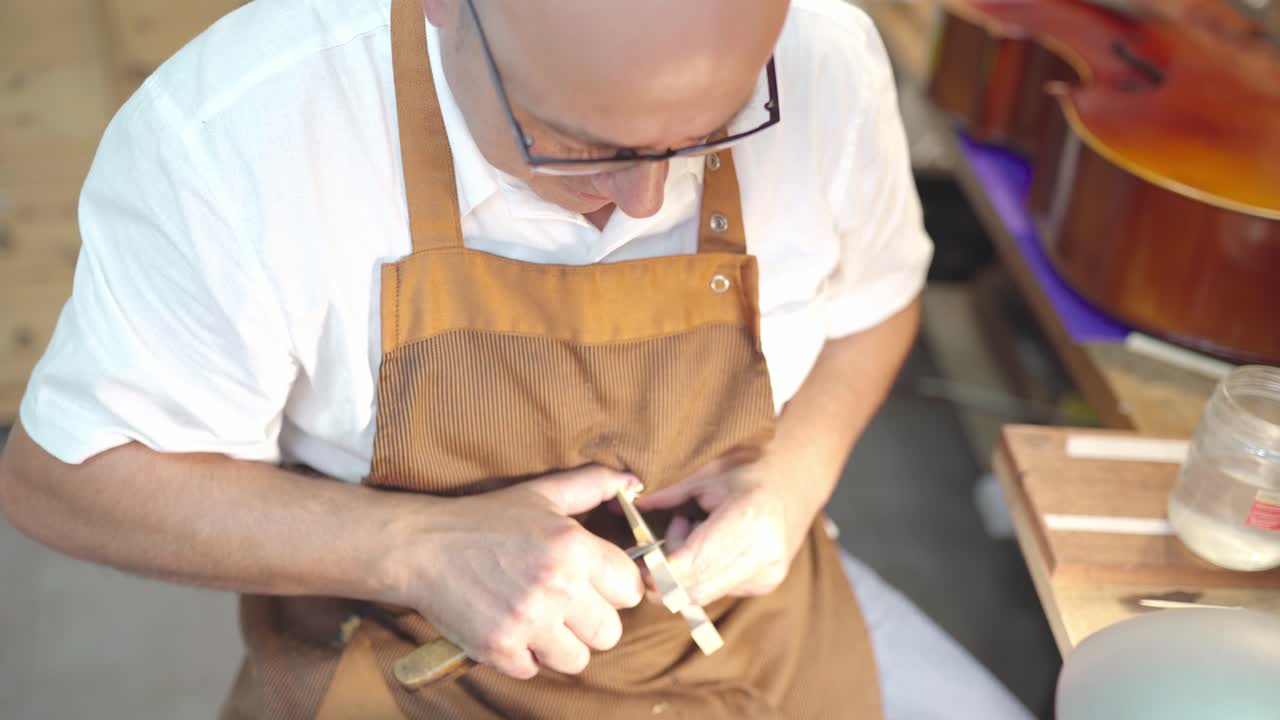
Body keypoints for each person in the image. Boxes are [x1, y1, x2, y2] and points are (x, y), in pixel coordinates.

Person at [0, 0, 1035, 717]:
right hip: (416, 665)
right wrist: (416, 549)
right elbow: (63, 482)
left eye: (708, 133)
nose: (641, 205)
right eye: (575, 143)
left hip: (753, 628)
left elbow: (876, 300)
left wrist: (792, 479)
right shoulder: (239, 138)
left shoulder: (823, 59)